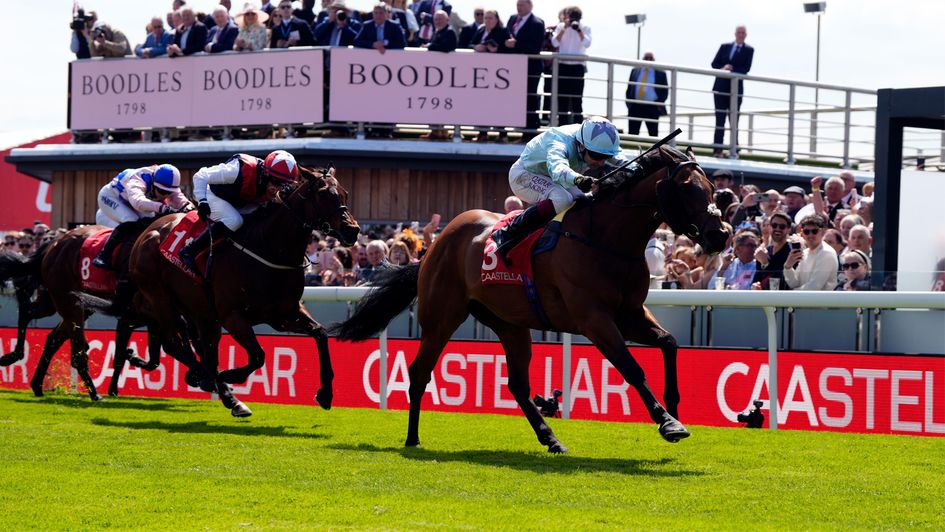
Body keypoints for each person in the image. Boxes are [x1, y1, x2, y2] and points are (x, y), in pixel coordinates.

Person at [493, 116, 630, 261]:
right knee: (562, 199)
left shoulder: (591, 141)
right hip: (523, 175)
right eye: (597, 156)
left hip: (553, 179)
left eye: (606, 157)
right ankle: (509, 232)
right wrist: (579, 179)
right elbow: (558, 170)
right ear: (582, 146)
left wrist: (641, 165)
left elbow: (623, 161)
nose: (602, 162)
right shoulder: (559, 141)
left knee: (586, 200)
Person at [179, 151, 300, 274]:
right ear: (265, 172)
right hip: (212, 194)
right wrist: (202, 201)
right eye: (275, 181)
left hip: (240, 202)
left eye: (284, 185)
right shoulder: (240, 169)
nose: (278, 189)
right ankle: (190, 250)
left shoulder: (271, 185)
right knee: (235, 221)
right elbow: (200, 176)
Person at [92, 165, 193, 269]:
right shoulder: (139, 178)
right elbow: (137, 202)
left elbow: (181, 201)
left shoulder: (167, 183)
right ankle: (104, 255)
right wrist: (162, 208)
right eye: (162, 192)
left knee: (149, 224)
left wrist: (190, 208)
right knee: (131, 219)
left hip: (130, 201)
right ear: (154, 183)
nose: (165, 196)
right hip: (111, 197)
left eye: (169, 193)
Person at [710, 25, 754, 157]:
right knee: (720, 118)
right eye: (739, 32)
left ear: (745, 35)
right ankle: (718, 148)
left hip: (735, 89)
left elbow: (746, 68)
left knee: (734, 119)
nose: (740, 35)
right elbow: (714, 64)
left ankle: (734, 148)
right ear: (735, 34)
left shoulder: (749, 50)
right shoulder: (724, 47)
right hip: (720, 87)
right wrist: (724, 68)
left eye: (743, 33)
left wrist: (732, 69)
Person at [505, 0, 546, 136]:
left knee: (529, 98)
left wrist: (516, 44)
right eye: (518, 5)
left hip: (531, 67)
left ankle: (529, 133)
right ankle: (519, 129)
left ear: (530, 6)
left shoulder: (537, 23)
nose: (519, 7)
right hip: (513, 67)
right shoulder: (512, 19)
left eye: (522, 5)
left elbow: (535, 47)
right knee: (515, 98)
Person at [550, 6, 591, 126]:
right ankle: (561, 127)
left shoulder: (585, 27)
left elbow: (587, 43)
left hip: (577, 68)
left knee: (577, 100)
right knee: (562, 100)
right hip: (562, 66)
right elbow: (554, 42)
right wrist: (564, 29)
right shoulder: (560, 27)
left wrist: (578, 30)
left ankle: (578, 129)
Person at [783, 214, 838, 290]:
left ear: (822, 232)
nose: (810, 235)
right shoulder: (805, 253)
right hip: (805, 300)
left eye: (814, 231)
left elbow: (814, 287)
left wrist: (789, 295)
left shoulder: (826, 253)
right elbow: (794, 283)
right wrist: (788, 266)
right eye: (806, 231)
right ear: (802, 233)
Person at [626, 51, 668, 137]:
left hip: (652, 108)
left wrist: (658, 104)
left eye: (650, 58)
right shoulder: (635, 71)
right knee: (632, 134)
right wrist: (629, 104)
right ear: (642, 59)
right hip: (635, 107)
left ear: (654, 60)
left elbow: (665, 91)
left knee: (653, 134)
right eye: (646, 58)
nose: (648, 60)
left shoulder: (661, 73)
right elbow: (630, 88)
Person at [751, 212, 792, 290]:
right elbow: (756, 279)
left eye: (782, 226)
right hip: (763, 299)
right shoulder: (765, 251)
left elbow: (781, 281)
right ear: (769, 227)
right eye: (774, 225)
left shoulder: (791, 252)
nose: (777, 229)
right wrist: (756, 286)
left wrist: (765, 264)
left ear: (788, 229)